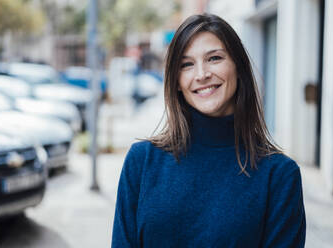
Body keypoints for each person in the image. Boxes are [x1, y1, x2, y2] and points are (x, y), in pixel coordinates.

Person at [112, 13, 306, 248]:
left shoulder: (279, 176)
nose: (201, 74)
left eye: (214, 58)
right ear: (176, 82)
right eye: (187, 64)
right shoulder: (141, 162)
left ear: (238, 67)